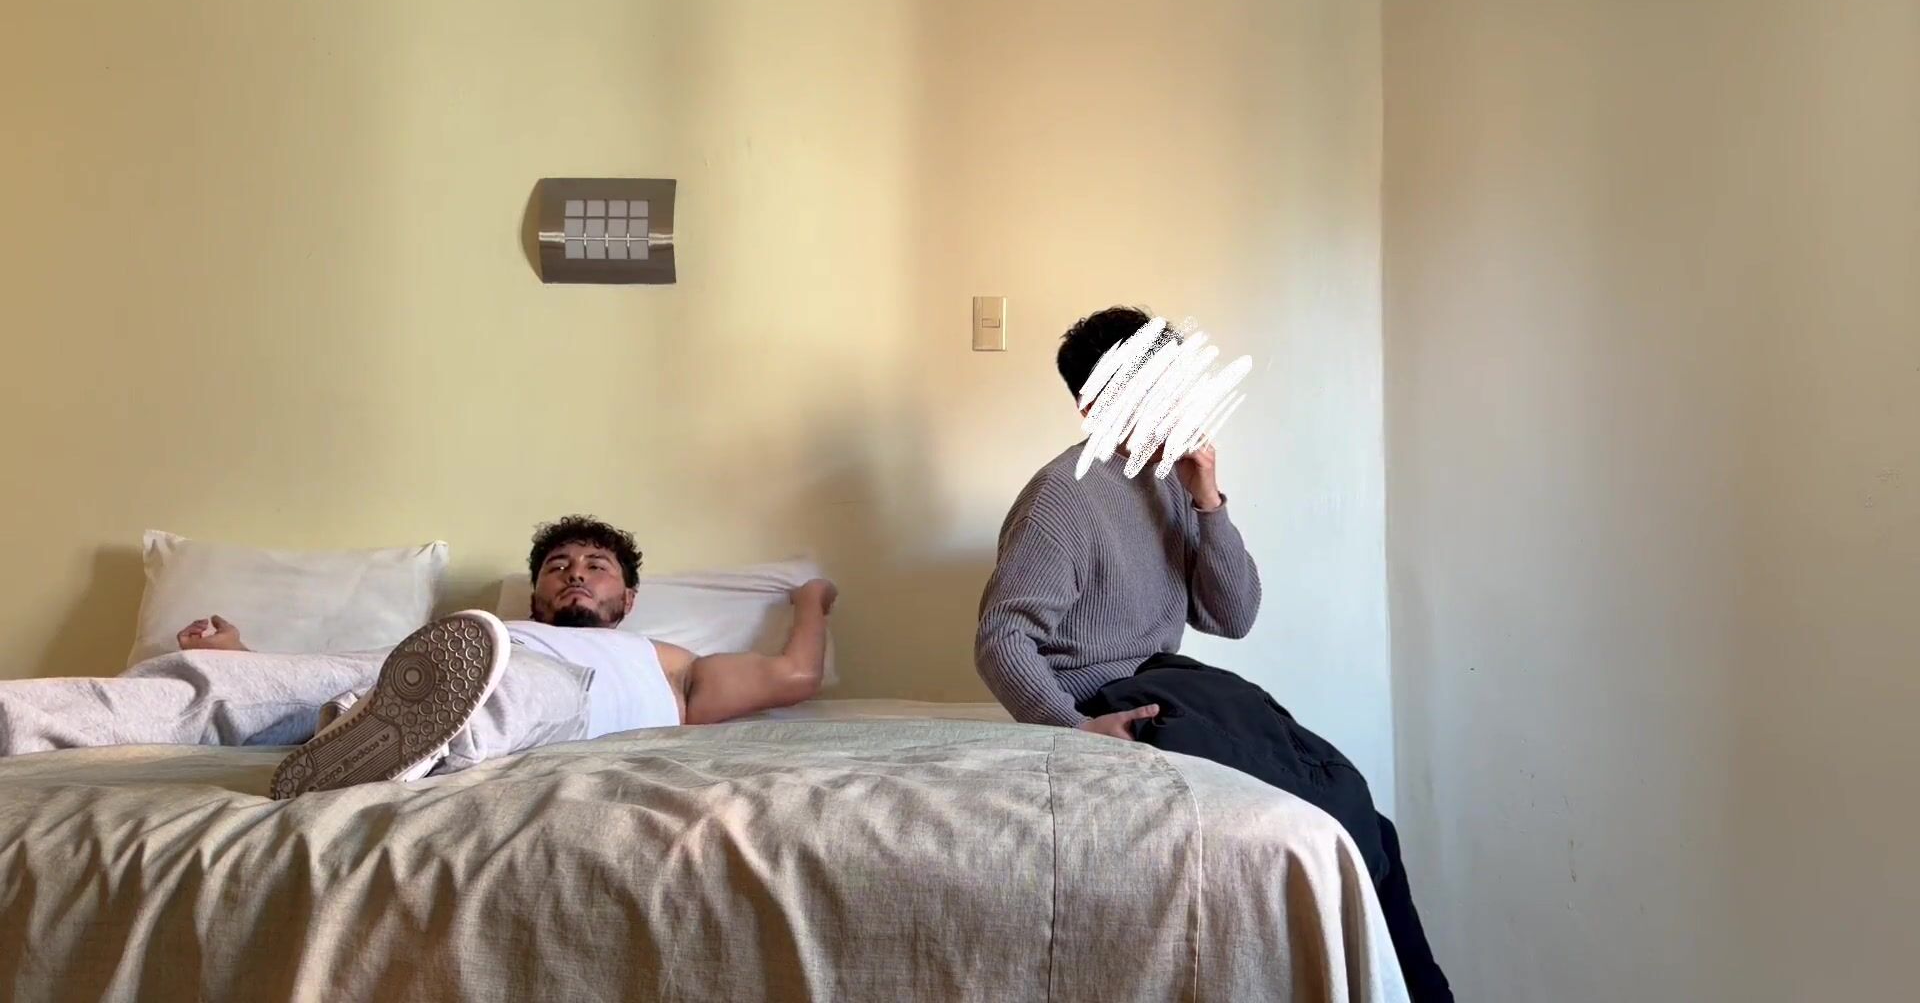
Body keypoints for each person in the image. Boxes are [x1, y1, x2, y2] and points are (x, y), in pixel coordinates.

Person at [974, 307, 1452, 1001]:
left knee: (1365, 821)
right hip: (1112, 696)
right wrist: (1074, 728)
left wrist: (1207, 498)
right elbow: (1001, 637)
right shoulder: (1062, 495)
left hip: (1172, 681)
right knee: (1334, 820)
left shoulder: (1170, 483)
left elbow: (1232, 615)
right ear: (1092, 407)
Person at [0, 515, 835, 800]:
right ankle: (19, 717)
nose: (575, 574)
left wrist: (809, 599)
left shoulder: (666, 659)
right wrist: (245, 660)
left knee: (520, 691)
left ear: (628, 598)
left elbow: (794, 676)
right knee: (218, 685)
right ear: (535, 593)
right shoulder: (483, 627)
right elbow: (323, 669)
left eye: (596, 566)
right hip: (415, 668)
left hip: (555, 689)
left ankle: (374, 739)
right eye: (557, 566)